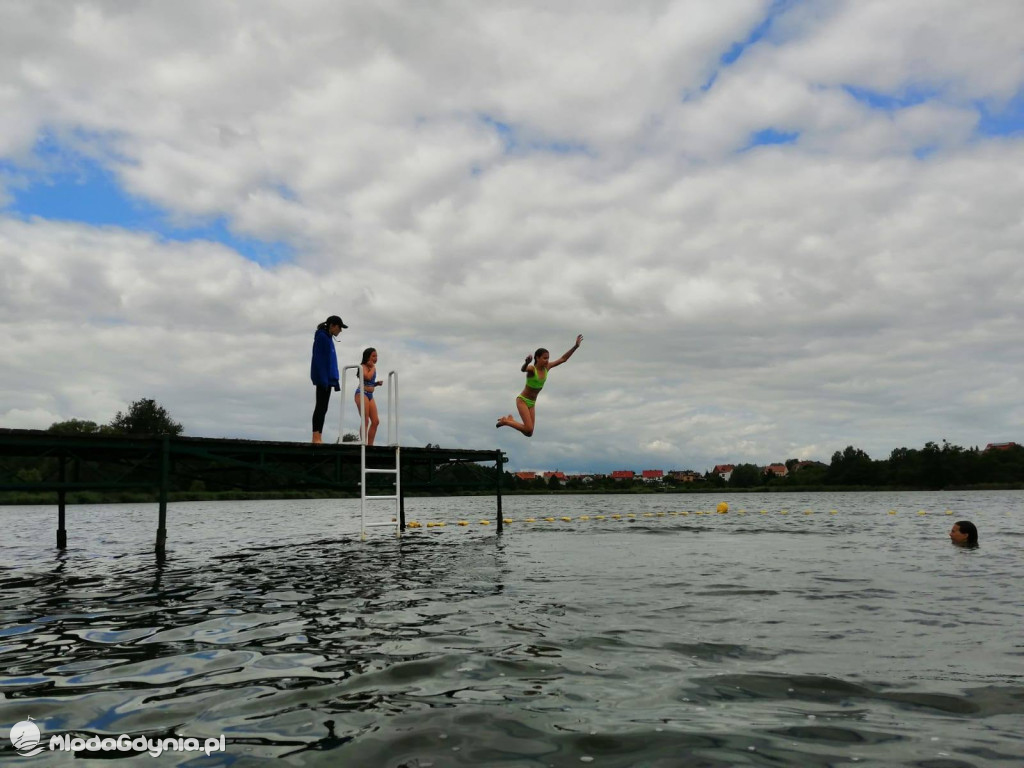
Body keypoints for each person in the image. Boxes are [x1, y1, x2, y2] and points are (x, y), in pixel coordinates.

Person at [496, 334, 583, 437]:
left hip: (532, 403)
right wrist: (526, 363)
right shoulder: (533, 369)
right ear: (537, 358)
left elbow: (563, 359)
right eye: (545, 358)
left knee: (529, 433)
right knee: (528, 428)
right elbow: (523, 369)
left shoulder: (547, 367)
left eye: (548, 358)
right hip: (522, 401)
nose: (547, 360)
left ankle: (510, 420)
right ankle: (506, 422)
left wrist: (575, 347)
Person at [310, 315, 347, 444]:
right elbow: (319, 360)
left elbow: (331, 362)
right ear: (332, 325)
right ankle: (316, 436)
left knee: (324, 408)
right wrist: (323, 379)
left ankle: (319, 435)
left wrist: (334, 381)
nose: (340, 331)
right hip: (323, 379)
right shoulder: (322, 337)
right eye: (339, 327)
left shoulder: (329, 339)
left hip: (328, 379)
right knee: (320, 407)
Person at [355, 347, 384, 445]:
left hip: (370, 394)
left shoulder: (372, 368)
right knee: (365, 419)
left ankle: (370, 445)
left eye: (376, 356)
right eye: (373, 356)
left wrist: (376, 384)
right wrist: (373, 368)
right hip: (362, 393)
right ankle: (364, 443)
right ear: (368, 356)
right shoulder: (363, 366)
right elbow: (367, 376)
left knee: (375, 421)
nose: (375, 358)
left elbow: (369, 381)